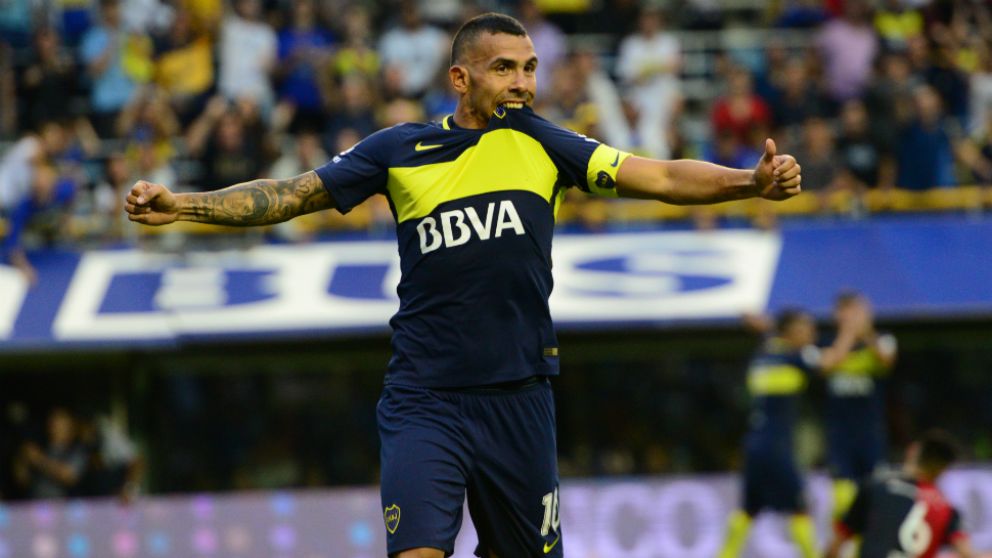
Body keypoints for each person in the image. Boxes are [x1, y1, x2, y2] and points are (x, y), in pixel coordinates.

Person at [124, 13, 803, 558]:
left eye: (531, 68)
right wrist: (183, 203)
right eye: (504, 68)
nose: (523, 83)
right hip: (425, 398)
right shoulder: (398, 150)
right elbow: (290, 194)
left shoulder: (544, 144)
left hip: (518, 399)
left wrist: (749, 181)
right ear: (460, 76)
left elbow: (656, 176)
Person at [718, 308, 863, 558]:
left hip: (754, 445)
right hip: (776, 447)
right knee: (800, 508)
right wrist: (849, 332)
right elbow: (832, 361)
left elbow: (770, 336)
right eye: (805, 328)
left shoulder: (765, 351)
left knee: (748, 510)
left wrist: (766, 328)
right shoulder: (794, 356)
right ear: (790, 333)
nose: (811, 333)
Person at [824, 429, 975, 558]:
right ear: (943, 469)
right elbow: (966, 552)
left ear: (912, 451)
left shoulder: (874, 487)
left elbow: (836, 545)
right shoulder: (946, 509)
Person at [824, 292, 898, 522]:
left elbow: (887, 360)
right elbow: (828, 366)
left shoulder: (882, 339)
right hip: (840, 435)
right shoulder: (825, 343)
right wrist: (847, 334)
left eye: (859, 311)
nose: (855, 317)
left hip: (870, 433)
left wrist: (865, 334)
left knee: (875, 493)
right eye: (848, 312)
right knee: (843, 499)